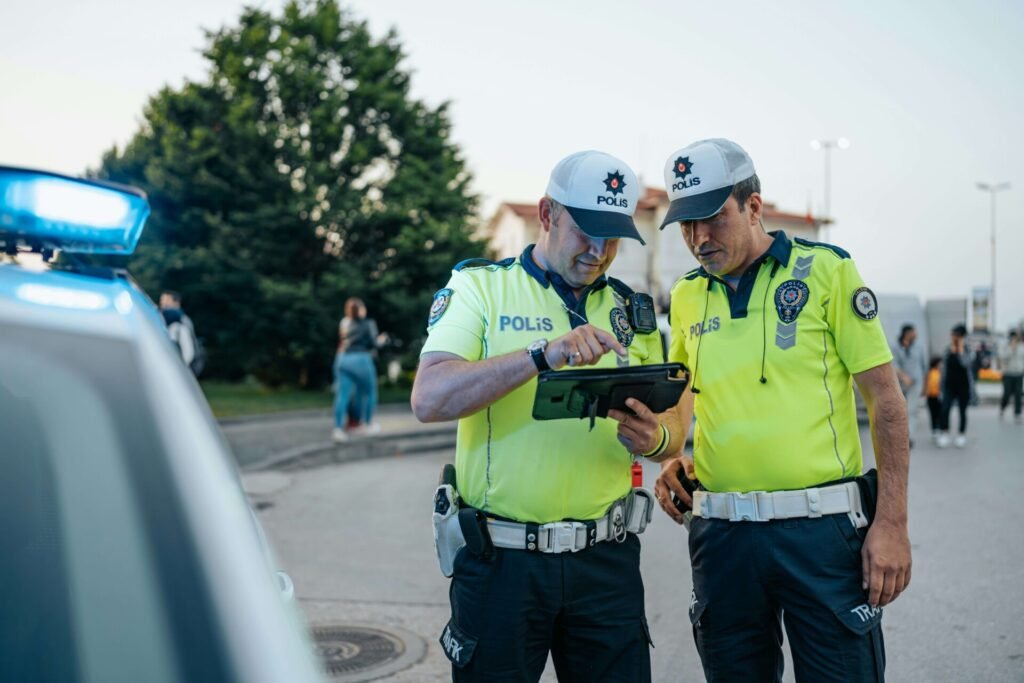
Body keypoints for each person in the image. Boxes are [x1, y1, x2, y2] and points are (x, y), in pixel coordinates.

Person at [651, 138, 911, 682]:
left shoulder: (827, 272)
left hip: (820, 537)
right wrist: (669, 455)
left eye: (712, 218)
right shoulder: (688, 295)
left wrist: (891, 522)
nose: (698, 238)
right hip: (722, 540)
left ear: (752, 206)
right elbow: (681, 401)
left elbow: (886, 402)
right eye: (686, 225)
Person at [412, 151, 669, 681]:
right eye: (587, 232)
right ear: (547, 213)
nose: (599, 252)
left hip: (606, 560)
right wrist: (541, 355)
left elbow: (666, 431)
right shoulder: (480, 287)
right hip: (502, 561)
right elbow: (429, 398)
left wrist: (655, 436)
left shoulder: (632, 311)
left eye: (614, 237)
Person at [332, 298, 387, 442]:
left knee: (342, 395)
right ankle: (367, 424)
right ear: (361, 309)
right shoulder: (368, 323)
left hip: (343, 359)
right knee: (370, 392)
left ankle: (338, 429)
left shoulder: (344, 322)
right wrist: (382, 340)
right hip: (361, 359)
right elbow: (374, 343)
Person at [938, 324, 973, 448]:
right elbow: (943, 369)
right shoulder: (948, 350)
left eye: (956, 335)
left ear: (962, 336)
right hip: (949, 385)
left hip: (963, 386)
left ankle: (961, 435)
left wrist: (960, 349)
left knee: (962, 411)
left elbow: (966, 363)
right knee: (945, 408)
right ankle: (944, 433)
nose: (953, 337)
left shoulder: (968, 350)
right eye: (952, 335)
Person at [892, 324, 927, 448]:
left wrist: (925, 386)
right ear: (907, 333)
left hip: (915, 384)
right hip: (899, 384)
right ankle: (899, 435)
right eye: (914, 332)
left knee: (912, 410)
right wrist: (903, 376)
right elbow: (893, 364)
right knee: (899, 410)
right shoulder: (895, 346)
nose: (916, 335)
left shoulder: (918, 346)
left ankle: (908, 437)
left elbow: (924, 366)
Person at [159, 290, 201, 375]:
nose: (163, 305)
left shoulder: (180, 322)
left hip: (182, 368)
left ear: (176, 303)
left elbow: (188, 352)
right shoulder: (165, 320)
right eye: (162, 302)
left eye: (167, 301)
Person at [998, 330, 1023, 423]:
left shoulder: (1022, 347)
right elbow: (1003, 357)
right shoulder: (1005, 347)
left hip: (1019, 374)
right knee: (1007, 393)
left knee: (1018, 394)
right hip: (1008, 374)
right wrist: (1011, 348)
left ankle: (1017, 413)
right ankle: (1002, 407)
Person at [926, 357, 943, 439]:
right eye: (940, 363)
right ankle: (934, 430)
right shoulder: (930, 372)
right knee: (933, 414)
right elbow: (928, 383)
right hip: (931, 397)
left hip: (938, 397)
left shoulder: (941, 372)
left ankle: (939, 429)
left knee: (939, 414)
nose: (941, 365)